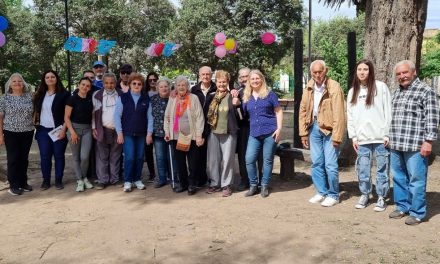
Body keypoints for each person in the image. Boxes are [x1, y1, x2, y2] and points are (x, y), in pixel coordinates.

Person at [388, 60, 439, 225]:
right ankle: (402, 206)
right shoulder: (396, 92)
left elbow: (432, 118)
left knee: (416, 179)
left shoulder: (426, 91)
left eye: (405, 72)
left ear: (413, 72)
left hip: (415, 145)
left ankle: (417, 212)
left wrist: (428, 141)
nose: (402, 76)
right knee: (399, 177)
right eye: (399, 74)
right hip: (396, 144)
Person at [299, 60, 346, 207]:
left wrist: (338, 136)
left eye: (320, 71)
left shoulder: (334, 86)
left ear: (326, 71)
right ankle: (321, 192)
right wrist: (303, 133)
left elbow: (339, 113)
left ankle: (333, 194)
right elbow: (303, 110)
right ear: (311, 73)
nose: (317, 75)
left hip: (330, 130)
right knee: (317, 162)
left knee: (330, 164)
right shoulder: (308, 87)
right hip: (313, 128)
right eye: (314, 72)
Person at [347, 59, 391, 211]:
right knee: (363, 169)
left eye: (365, 69)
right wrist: (353, 136)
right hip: (362, 139)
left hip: (380, 138)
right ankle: (365, 194)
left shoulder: (381, 87)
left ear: (370, 71)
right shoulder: (353, 91)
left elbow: (388, 111)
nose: (362, 72)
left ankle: (381, 197)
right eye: (359, 69)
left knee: (382, 170)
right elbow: (350, 115)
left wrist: (386, 134)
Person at [242, 70, 283, 198]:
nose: (255, 81)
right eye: (252, 79)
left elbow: (278, 111)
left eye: (257, 78)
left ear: (262, 79)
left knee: (267, 160)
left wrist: (279, 129)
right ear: (249, 81)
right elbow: (243, 114)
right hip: (254, 133)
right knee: (249, 159)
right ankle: (253, 185)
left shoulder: (270, 95)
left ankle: (264, 185)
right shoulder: (246, 96)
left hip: (270, 133)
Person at [164, 75, 205, 195]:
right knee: (180, 162)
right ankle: (183, 184)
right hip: (176, 136)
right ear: (175, 87)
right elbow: (167, 117)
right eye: (179, 85)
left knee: (192, 162)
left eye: (183, 85)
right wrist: (167, 132)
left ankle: (192, 184)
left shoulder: (194, 98)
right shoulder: (172, 99)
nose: (181, 87)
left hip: (191, 137)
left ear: (187, 86)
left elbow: (199, 118)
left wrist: (198, 135)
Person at [33, 70, 70, 190]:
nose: (50, 79)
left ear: (56, 78)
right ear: (44, 80)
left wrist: (64, 129)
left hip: (58, 129)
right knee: (45, 156)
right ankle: (46, 181)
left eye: (52, 77)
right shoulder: (39, 94)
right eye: (47, 77)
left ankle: (58, 180)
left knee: (59, 156)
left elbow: (68, 114)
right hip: (43, 130)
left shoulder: (64, 94)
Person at [205, 70, 239, 197]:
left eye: (224, 82)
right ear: (216, 82)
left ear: (228, 82)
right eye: (219, 82)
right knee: (213, 160)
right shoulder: (211, 96)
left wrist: (238, 104)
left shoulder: (233, 96)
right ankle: (215, 183)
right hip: (213, 132)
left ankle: (226, 185)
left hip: (229, 132)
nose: (221, 84)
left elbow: (240, 114)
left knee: (227, 160)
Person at [114, 73, 149, 192]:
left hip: (141, 134)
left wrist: (149, 133)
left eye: (139, 84)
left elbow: (150, 117)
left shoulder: (146, 99)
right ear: (129, 84)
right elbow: (117, 116)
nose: (136, 85)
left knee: (139, 157)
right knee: (129, 158)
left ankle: (137, 179)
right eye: (134, 83)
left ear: (142, 86)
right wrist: (119, 133)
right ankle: (128, 181)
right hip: (127, 133)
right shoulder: (122, 98)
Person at [0, 73, 35, 195]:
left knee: (24, 158)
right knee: (13, 158)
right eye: (14, 81)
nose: (17, 83)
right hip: (10, 132)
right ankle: (13, 185)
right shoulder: (4, 98)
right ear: (10, 84)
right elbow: (1, 117)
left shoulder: (29, 96)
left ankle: (23, 182)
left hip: (28, 131)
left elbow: (34, 112)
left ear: (23, 83)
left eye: (19, 81)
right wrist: (0, 135)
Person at [146, 78, 179, 189]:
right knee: (160, 157)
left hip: (172, 133)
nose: (164, 88)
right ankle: (162, 179)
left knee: (172, 157)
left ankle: (174, 177)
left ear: (169, 87)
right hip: (158, 133)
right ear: (157, 88)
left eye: (166, 86)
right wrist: (149, 133)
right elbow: (149, 117)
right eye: (161, 87)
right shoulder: (152, 99)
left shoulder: (174, 98)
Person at [92, 73, 123, 189]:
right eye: (106, 83)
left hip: (117, 130)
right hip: (102, 129)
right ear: (103, 83)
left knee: (115, 155)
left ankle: (115, 179)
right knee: (102, 156)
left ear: (115, 83)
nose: (109, 85)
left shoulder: (121, 95)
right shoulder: (97, 95)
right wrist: (94, 128)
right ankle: (102, 180)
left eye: (112, 83)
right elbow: (93, 113)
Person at [234, 67, 263, 191]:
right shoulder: (238, 92)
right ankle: (245, 179)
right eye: (242, 77)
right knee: (243, 154)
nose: (245, 79)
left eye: (247, 76)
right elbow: (237, 114)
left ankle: (261, 181)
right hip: (244, 128)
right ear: (239, 79)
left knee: (260, 154)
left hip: (260, 127)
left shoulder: (260, 90)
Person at [65, 77, 95, 192]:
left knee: (85, 156)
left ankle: (84, 177)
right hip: (74, 130)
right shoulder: (72, 99)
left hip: (87, 130)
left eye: (87, 86)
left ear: (89, 88)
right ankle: (80, 180)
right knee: (76, 156)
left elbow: (92, 115)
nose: (85, 87)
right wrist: (72, 132)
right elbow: (66, 117)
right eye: (83, 84)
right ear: (79, 85)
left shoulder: (90, 99)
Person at [190, 66, 217, 187]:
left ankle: (214, 179)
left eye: (208, 74)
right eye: (203, 74)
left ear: (211, 75)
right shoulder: (194, 89)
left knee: (212, 155)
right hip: (198, 127)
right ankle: (200, 178)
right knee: (198, 154)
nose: (205, 76)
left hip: (213, 126)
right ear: (199, 75)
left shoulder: (217, 88)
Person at [143, 72, 158, 182]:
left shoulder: (162, 91)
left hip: (160, 126)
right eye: (150, 80)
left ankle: (165, 172)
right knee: (148, 151)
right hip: (147, 125)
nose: (152, 82)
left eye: (154, 79)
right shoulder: (144, 94)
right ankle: (152, 173)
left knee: (160, 151)